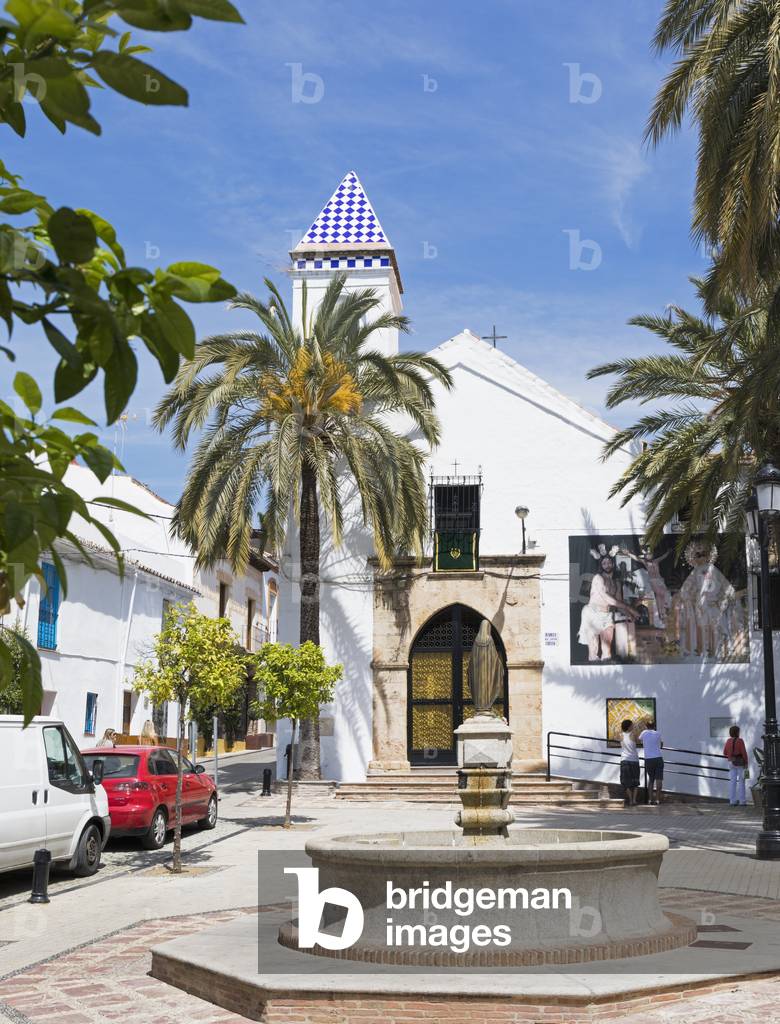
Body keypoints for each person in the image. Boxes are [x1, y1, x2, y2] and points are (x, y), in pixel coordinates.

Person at [578, 552, 639, 662]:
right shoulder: (598, 578)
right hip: (592, 613)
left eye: (609, 562)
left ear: (613, 564)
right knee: (593, 651)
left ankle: (606, 662)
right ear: (601, 565)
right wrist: (630, 608)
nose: (607, 565)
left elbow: (618, 603)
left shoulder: (616, 583)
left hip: (607, 615)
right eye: (604, 563)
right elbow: (606, 598)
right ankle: (593, 664)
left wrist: (629, 614)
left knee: (607, 651)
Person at [639, 720, 664, 805]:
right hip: (658, 758)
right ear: (654, 726)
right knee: (659, 779)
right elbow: (661, 744)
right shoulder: (658, 733)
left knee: (651, 780)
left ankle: (650, 800)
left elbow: (639, 740)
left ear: (646, 726)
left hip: (649, 759)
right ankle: (657, 800)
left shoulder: (644, 733)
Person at [724, 725, 748, 806]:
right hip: (740, 762)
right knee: (741, 781)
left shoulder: (728, 741)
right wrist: (746, 762)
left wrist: (731, 755)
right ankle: (742, 801)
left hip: (731, 762)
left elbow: (725, 752)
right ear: (737, 732)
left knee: (732, 782)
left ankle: (732, 801)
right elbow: (744, 753)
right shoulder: (740, 741)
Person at [619, 719, 640, 807]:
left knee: (626, 781)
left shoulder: (620, 735)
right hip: (634, 760)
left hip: (624, 760)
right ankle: (634, 800)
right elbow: (639, 742)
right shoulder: (634, 734)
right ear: (629, 727)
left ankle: (630, 800)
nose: (633, 726)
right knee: (635, 781)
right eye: (632, 725)